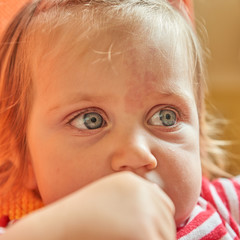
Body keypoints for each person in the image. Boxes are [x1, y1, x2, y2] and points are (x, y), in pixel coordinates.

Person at [0, 0, 239, 239]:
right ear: (26, 159)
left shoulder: (223, 204)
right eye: (90, 119)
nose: (137, 152)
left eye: (165, 117)